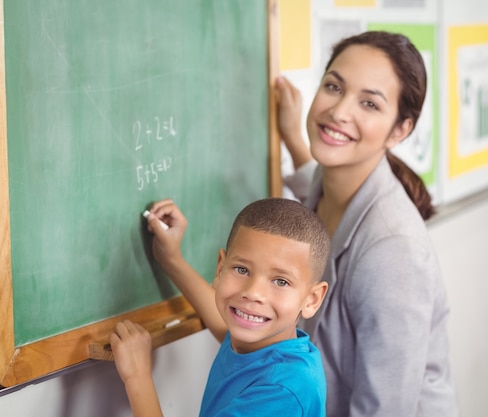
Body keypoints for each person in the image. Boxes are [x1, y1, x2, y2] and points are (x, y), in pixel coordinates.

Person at [274, 31, 458, 416]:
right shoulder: (330, 188)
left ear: (400, 130)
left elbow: (384, 410)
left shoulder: (394, 252)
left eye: (369, 104)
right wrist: (292, 136)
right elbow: (314, 180)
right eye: (333, 87)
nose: (340, 111)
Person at [109, 198, 331, 417]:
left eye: (281, 281)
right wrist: (171, 259)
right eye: (242, 270)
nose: (253, 293)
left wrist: (137, 377)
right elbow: (219, 321)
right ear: (220, 268)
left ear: (312, 299)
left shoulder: (280, 391)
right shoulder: (262, 343)